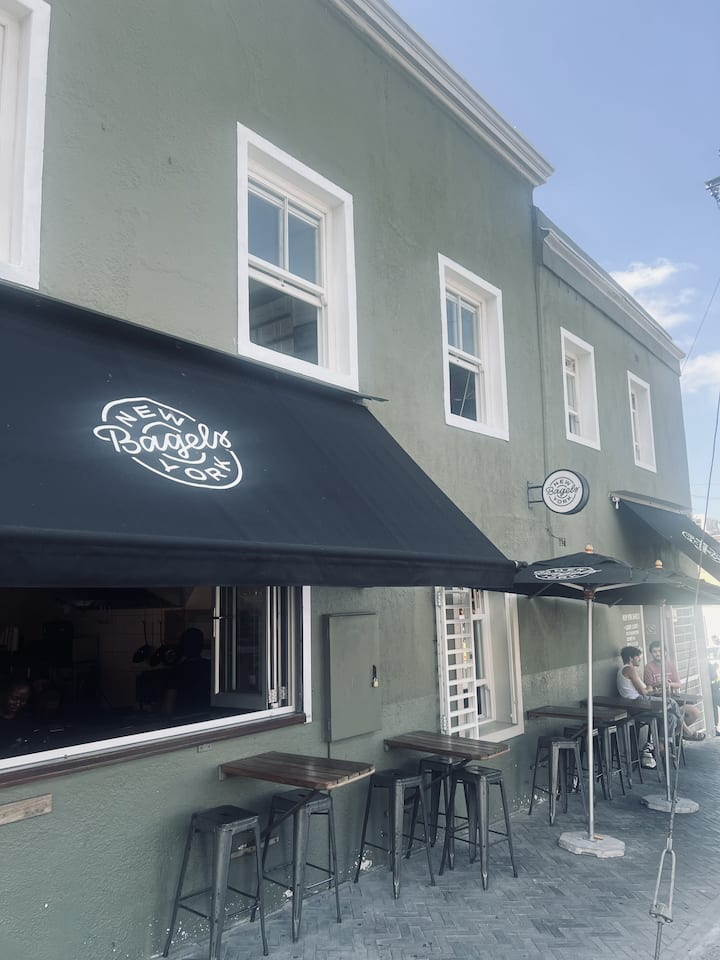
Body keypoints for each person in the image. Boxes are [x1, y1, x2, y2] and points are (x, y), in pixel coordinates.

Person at [617, 645, 682, 764]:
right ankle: (683, 729)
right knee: (671, 702)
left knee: (671, 717)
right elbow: (643, 691)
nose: (640, 659)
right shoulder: (629, 669)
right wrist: (651, 689)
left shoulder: (626, 670)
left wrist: (654, 687)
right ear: (631, 658)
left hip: (638, 702)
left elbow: (644, 689)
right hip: (638, 703)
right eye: (638, 657)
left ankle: (661, 746)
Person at [643, 639, 704, 741]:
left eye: (660, 651)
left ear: (665, 652)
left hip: (672, 699)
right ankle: (686, 732)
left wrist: (669, 684)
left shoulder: (670, 665)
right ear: (651, 653)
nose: (658, 654)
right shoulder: (648, 667)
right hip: (658, 702)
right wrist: (660, 685)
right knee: (673, 715)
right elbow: (649, 688)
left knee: (695, 712)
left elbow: (678, 684)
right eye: (655, 651)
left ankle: (676, 734)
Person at [164, 628, 211, 716]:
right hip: (207, 715)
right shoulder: (211, 667)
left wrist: (167, 718)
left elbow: (169, 702)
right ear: (201, 646)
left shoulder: (177, 670)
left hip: (183, 718)